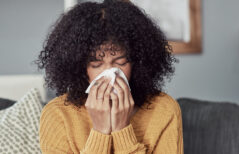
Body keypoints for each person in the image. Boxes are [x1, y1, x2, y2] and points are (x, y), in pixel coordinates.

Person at [36, 0, 183, 153]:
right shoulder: (57, 115)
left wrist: (122, 130)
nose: (110, 74)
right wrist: (100, 132)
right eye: (96, 64)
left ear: (137, 62)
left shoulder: (164, 110)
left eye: (120, 62)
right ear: (80, 66)